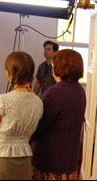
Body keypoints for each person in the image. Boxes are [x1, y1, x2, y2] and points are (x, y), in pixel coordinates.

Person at [0, 51, 43, 180]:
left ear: (11, 75)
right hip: (24, 158)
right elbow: (28, 136)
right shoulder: (38, 103)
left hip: (0, 158)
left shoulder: (2, 100)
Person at [30, 49, 86, 180]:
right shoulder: (80, 90)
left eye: (54, 66)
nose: (52, 69)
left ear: (60, 68)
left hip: (51, 162)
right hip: (70, 159)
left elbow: (40, 127)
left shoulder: (54, 93)